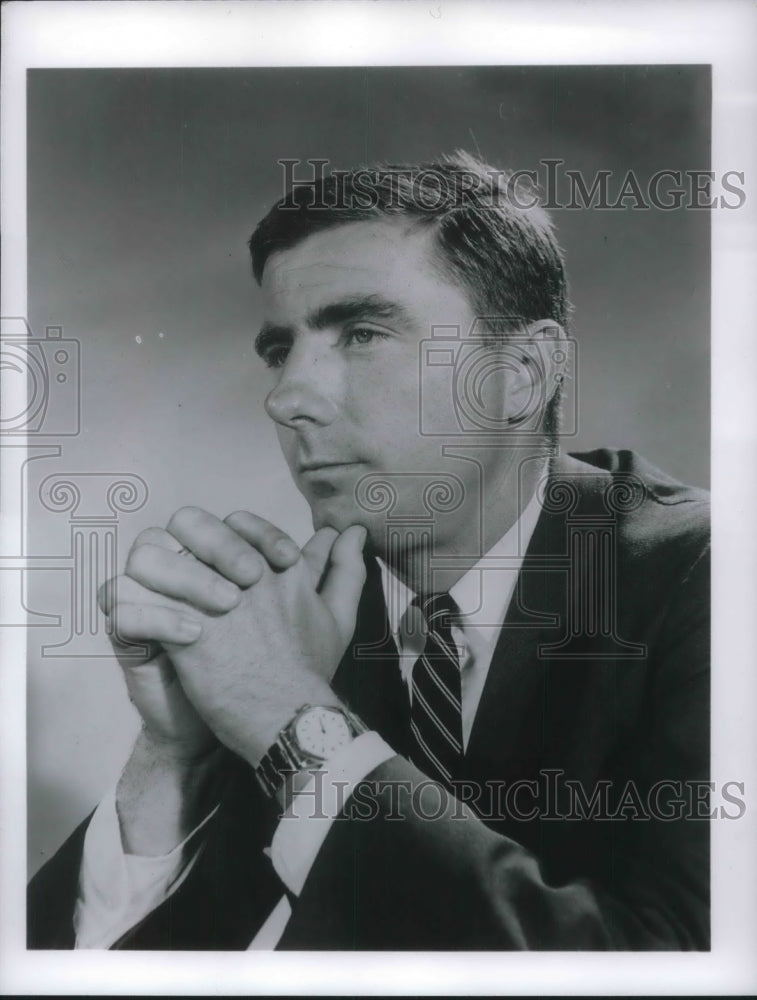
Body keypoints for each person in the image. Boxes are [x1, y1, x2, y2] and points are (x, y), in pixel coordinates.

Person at [28, 151, 710, 950]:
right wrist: (176, 756)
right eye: (281, 350)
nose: (284, 400)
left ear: (522, 373)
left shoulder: (708, 581)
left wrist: (289, 723)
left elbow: (664, 965)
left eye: (360, 333)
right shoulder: (303, 625)